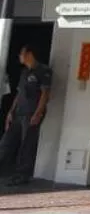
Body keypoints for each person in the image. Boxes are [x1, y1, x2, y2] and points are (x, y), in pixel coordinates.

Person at [0, 48, 54, 186]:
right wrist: (11, 111)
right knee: (7, 141)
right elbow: (19, 94)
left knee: (27, 144)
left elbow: (45, 94)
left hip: (31, 112)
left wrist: (38, 113)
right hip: (19, 112)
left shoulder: (43, 71)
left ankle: (22, 175)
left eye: (22, 54)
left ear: (29, 54)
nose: (20, 56)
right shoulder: (24, 72)